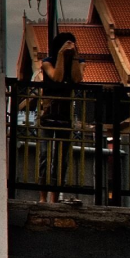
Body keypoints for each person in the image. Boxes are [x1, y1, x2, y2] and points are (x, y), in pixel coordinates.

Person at [38, 31, 83, 202]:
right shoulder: (47, 62)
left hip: (65, 115)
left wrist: (75, 56)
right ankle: (43, 197)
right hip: (48, 114)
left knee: (61, 159)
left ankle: (54, 198)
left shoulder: (78, 62)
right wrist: (61, 55)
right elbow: (57, 77)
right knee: (45, 156)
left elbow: (77, 78)